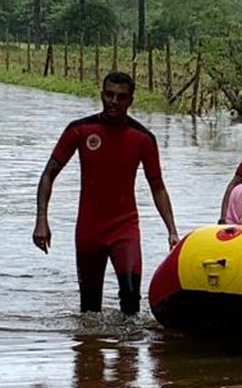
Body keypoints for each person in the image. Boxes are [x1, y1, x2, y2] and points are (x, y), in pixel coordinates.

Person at [32, 70, 178, 316]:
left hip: (125, 228)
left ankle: (128, 353)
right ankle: (91, 353)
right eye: (109, 95)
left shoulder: (142, 138)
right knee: (90, 311)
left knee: (131, 299)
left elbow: (157, 186)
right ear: (101, 95)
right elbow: (48, 175)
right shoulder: (80, 130)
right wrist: (41, 220)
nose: (113, 101)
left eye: (121, 97)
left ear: (130, 101)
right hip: (89, 231)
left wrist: (172, 230)